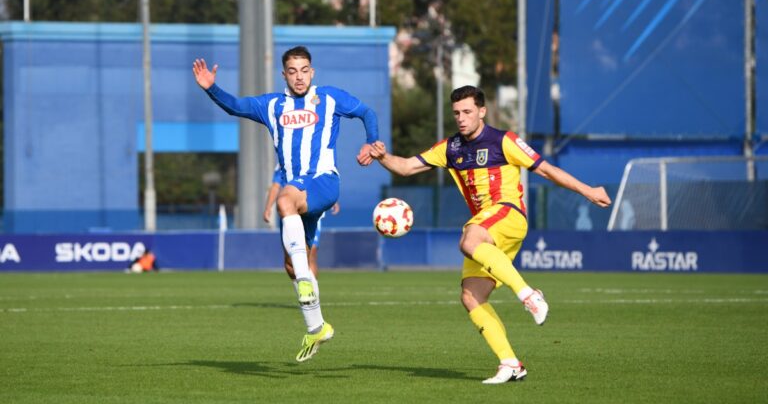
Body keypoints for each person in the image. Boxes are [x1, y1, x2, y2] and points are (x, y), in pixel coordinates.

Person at [369, 85, 611, 384]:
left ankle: (530, 295)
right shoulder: (450, 148)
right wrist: (382, 156)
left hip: (508, 214)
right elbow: (405, 167)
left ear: (482, 111)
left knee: (469, 239)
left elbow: (547, 170)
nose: (461, 118)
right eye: (456, 112)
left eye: (468, 111)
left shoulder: (504, 141)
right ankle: (510, 364)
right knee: (471, 296)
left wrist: (588, 191)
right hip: (487, 228)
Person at [193, 46, 378, 362]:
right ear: (284, 74)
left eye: (304, 70)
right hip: (298, 196)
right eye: (292, 71)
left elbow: (367, 112)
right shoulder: (272, 105)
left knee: (284, 200)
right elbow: (236, 106)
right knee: (293, 264)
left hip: (322, 181)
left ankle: (307, 283)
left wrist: (371, 141)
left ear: (312, 71)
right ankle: (316, 326)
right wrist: (212, 88)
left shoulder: (330, 98)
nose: (299, 76)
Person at [264, 166, 340, 278]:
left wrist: (329, 199)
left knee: (311, 253)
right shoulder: (282, 163)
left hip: (309, 206)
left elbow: (323, 179)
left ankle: (312, 294)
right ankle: (304, 289)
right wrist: (268, 207)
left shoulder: (314, 156)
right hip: (289, 210)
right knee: (290, 263)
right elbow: (276, 185)